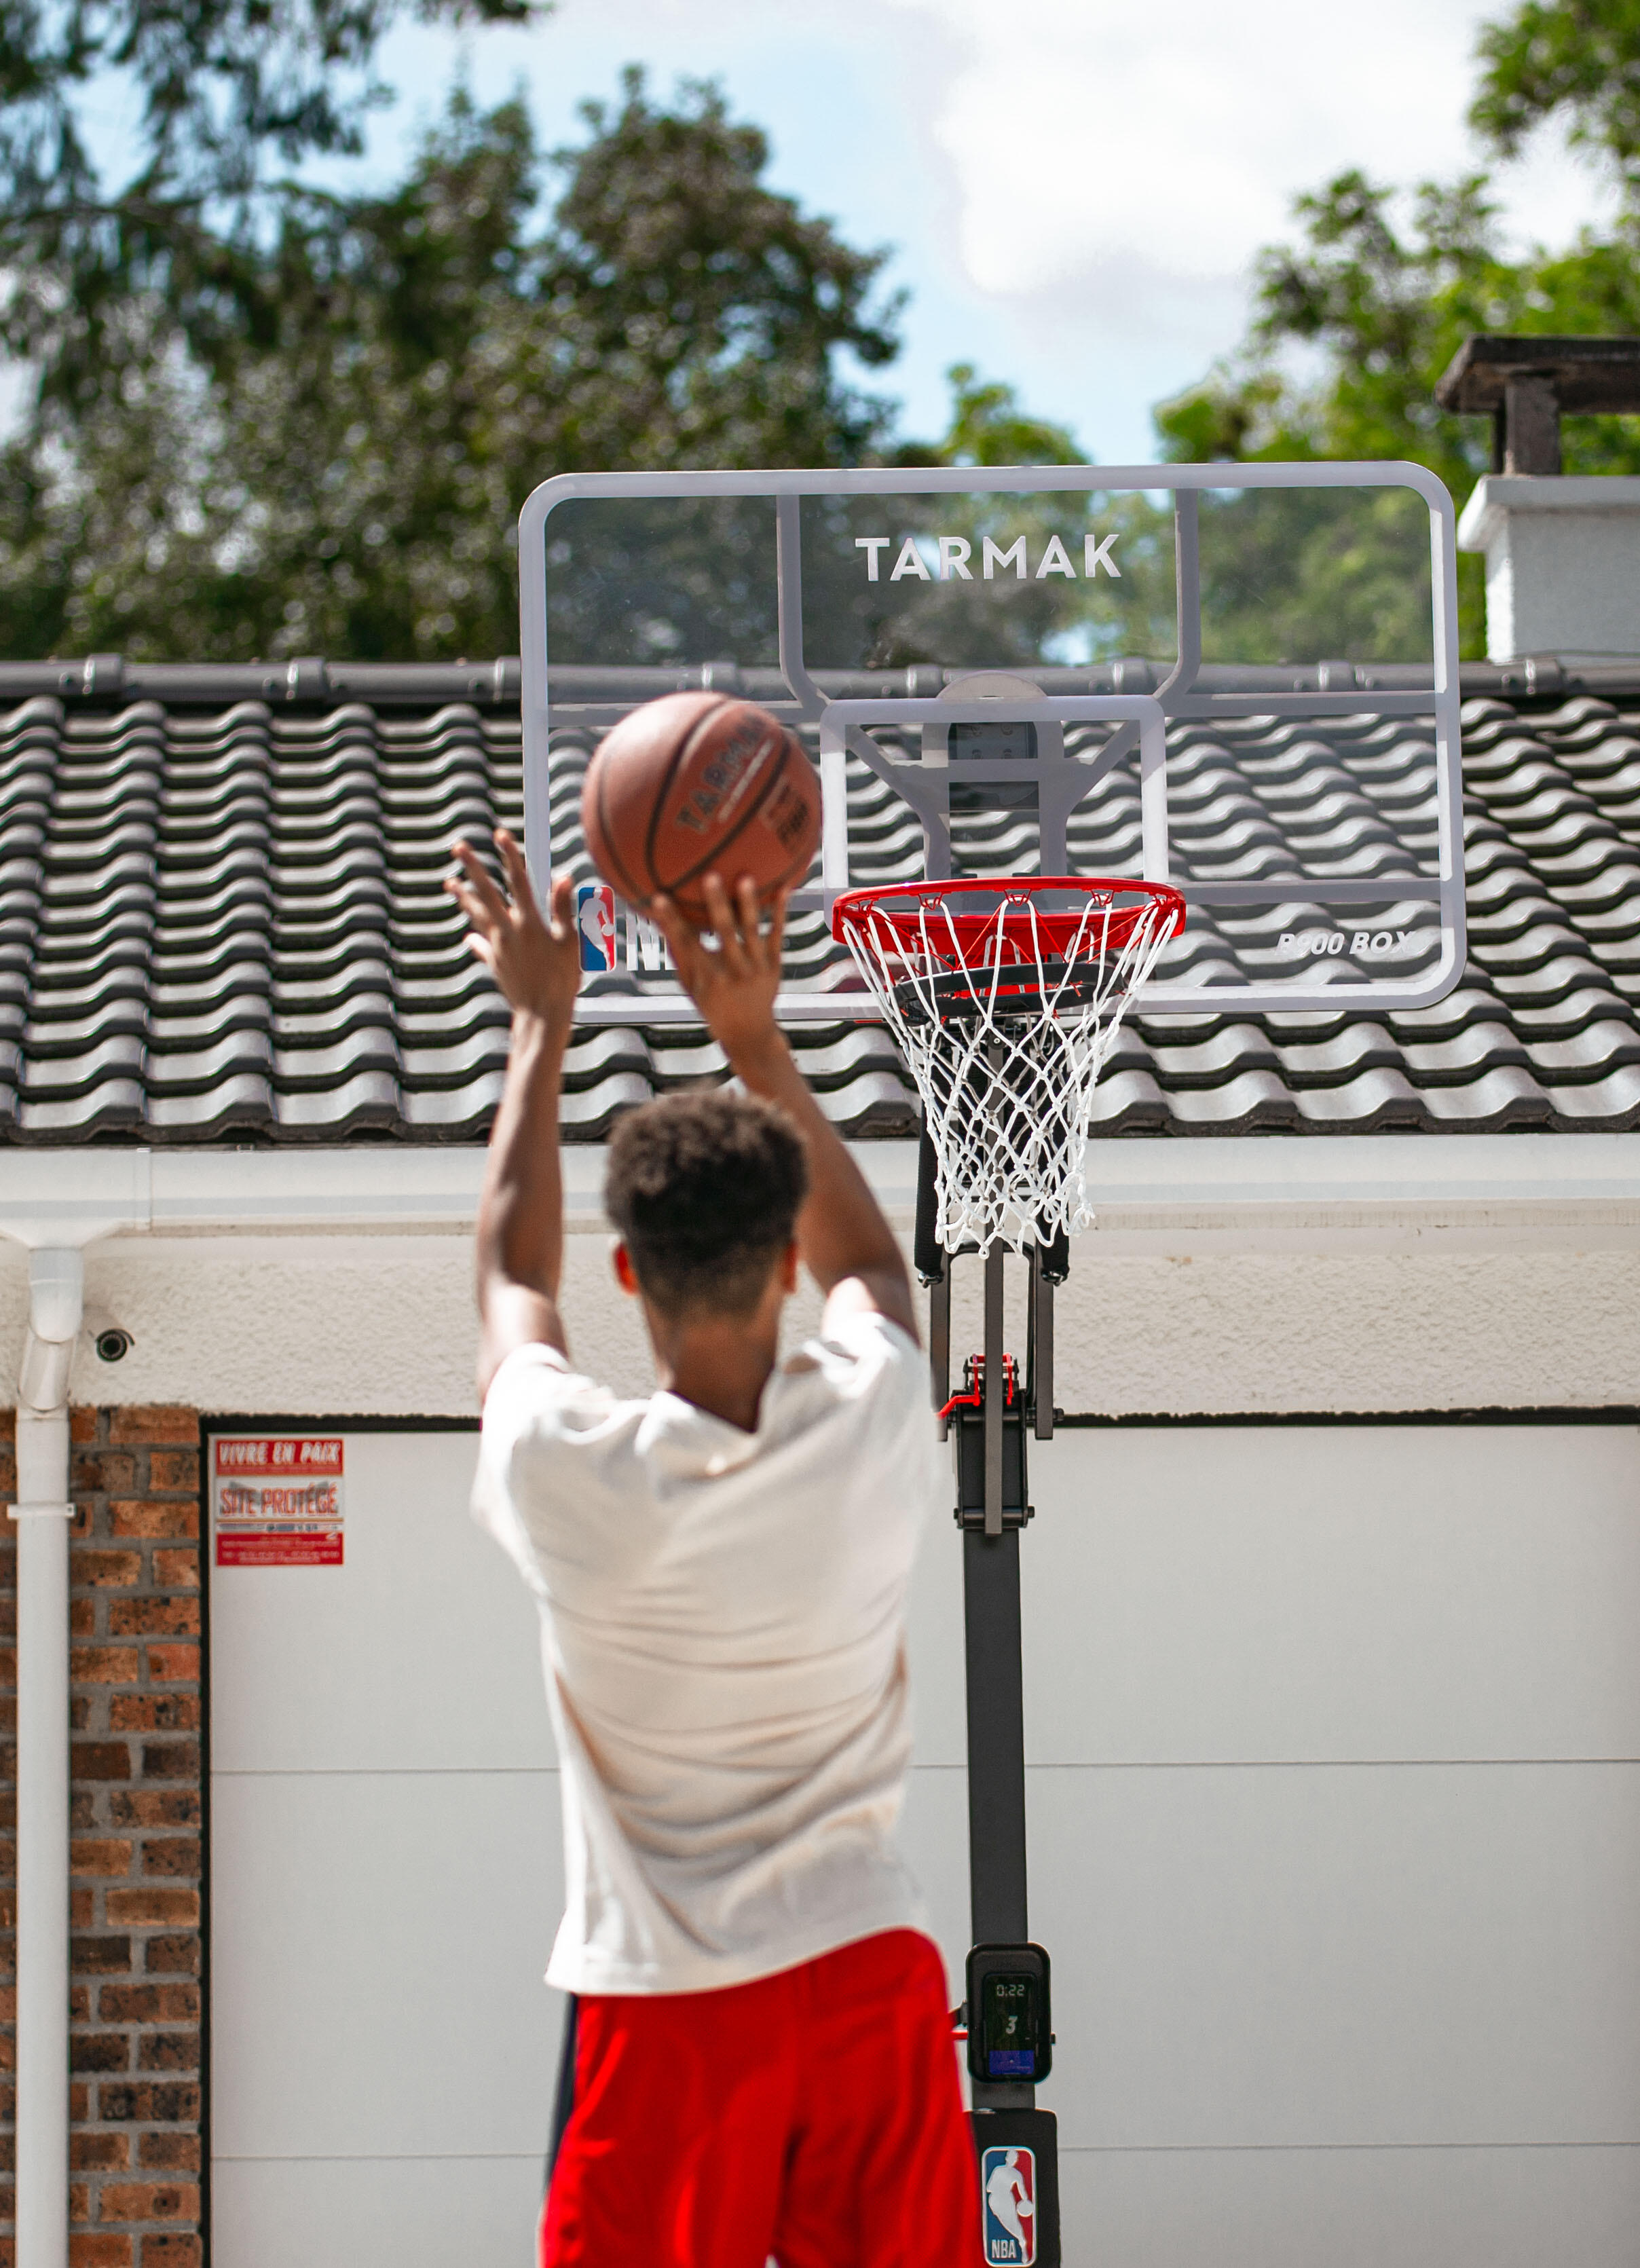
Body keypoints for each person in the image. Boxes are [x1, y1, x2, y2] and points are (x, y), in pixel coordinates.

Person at [444, 830, 981, 2268]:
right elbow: (877, 1268)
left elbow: (507, 1273)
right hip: (868, 1971)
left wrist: (539, 1016)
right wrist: (753, 1037)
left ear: (631, 1269)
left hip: (671, 2001)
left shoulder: (570, 1472)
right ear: (783, 1256)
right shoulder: (869, 1423)